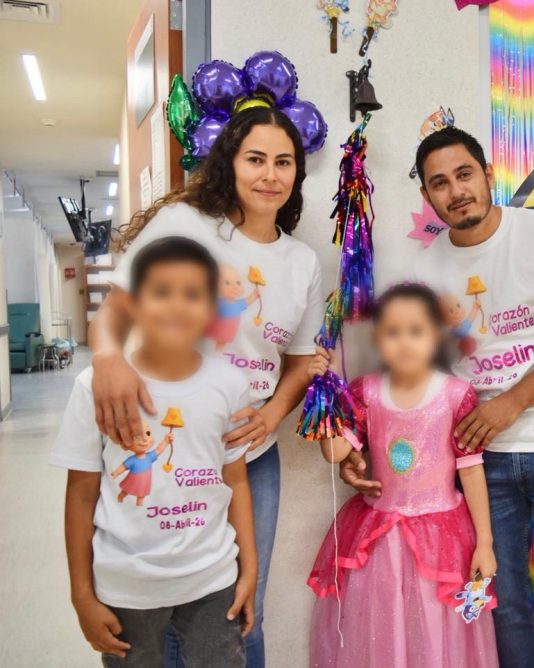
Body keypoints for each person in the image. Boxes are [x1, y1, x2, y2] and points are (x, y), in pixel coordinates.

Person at [340, 127, 534, 667]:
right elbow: (417, 381)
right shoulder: (424, 272)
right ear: (427, 194)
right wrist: (362, 444)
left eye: (464, 174)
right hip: (478, 465)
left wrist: (511, 403)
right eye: (440, 183)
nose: (456, 191)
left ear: (488, 174)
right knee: (502, 605)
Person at [89, 106, 326, 667]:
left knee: (243, 607)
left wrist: (270, 416)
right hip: (166, 443)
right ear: (230, 164)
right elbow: (118, 305)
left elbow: (300, 362)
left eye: (283, 162)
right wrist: (106, 359)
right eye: (255, 159)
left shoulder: (302, 262)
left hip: (249, 455)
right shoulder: (187, 225)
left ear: (297, 173)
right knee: (167, 610)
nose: (270, 175)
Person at [51, 237, 257, 667]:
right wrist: (81, 595)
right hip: (126, 586)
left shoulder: (230, 385)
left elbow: (235, 480)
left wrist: (249, 569)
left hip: (212, 579)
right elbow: (81, 495)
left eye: (192, 294)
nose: (176, 306)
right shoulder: (94, 388)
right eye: (161, 292)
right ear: (131, 303)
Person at [309, 284, 499, 667]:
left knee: (434, 623)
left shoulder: (455, 395)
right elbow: (334, 453)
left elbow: (471, 470)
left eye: (416, 331)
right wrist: (324, 391)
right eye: (393, 332)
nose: (405, 342)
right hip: (381, 540)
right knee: (383, 625)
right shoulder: (366, 392)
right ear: (377, 339)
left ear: (436, 336)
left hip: (442, 537)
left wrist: (485, 543)